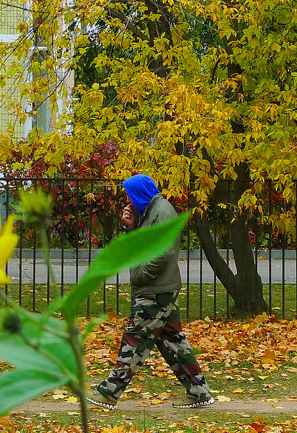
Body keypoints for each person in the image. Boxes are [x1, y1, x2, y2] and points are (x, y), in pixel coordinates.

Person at [88, 175, 215, 410]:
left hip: (156, 289)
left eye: (129, 194)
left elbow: (163, 252)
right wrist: (131, 227)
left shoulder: (162, 212)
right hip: (157, 288)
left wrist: (141, 275)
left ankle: (110, 391)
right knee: (172, 342)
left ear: (139, 193)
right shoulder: (149, 213)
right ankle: (199, 391)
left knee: (135, 338)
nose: (126, 200)